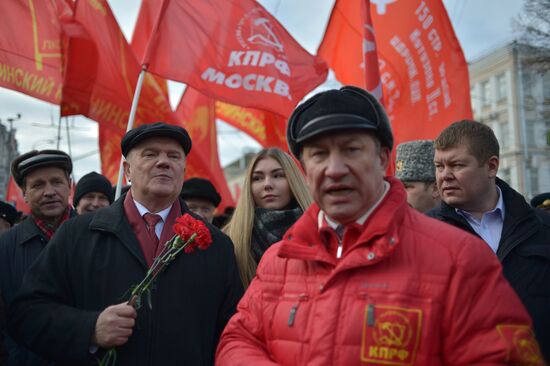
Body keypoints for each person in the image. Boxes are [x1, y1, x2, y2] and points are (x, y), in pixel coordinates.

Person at [216, 87, 543, 365]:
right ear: (304, 169)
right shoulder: (279, 260)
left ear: (383, 158)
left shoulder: (461, 259)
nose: (334, 169)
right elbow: (236, 340)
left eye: (351, 149)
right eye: (318, 154)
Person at [9, 122, 244, 365]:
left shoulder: (215, 244)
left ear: (183, 170)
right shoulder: (77, 234)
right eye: (150, 154)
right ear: (127, 170)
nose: (163, 162)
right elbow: (26, 314)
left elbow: (233, 332)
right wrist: (90, 329)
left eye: (173, 156)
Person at [428, 120, 550, 361]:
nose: (445, 175)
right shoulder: (424, 235)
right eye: (439, 166)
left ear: (491, 166)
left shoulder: (542, 228)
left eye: (456, 165)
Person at [0, 149, 74, 366]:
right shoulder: (4, 248)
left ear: (69, 185)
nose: (49, 191)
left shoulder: (97, 236)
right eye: (38, 185)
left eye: (56, 182)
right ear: (24, 193)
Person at [223, 148, 312, 288]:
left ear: (293, 180)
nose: (267, 184)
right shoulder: (229, 241)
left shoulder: (323, 231)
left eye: (278, 176)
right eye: (257, 178)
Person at [395, 140, 440, 213]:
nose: (399, 195)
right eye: (398, 187)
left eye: (407, 187)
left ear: (435, 189)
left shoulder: (457, 223)